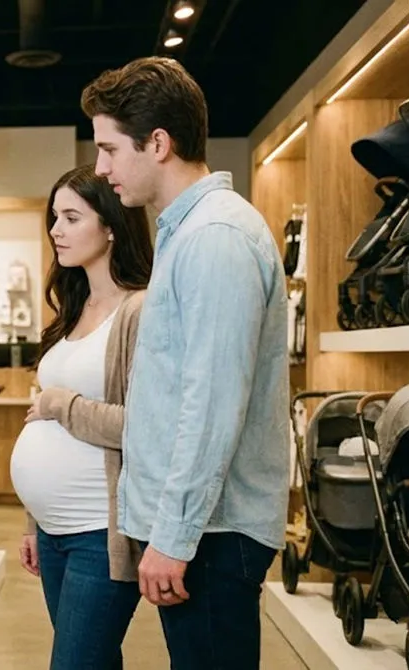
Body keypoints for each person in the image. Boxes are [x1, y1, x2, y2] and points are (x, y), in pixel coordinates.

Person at [80, 57, 291, 668]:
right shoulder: (189, 232)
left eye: (110, 149)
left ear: (159, 143)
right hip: (201, 532)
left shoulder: (214, 238)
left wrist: (172, 539)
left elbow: (211, 405)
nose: (101, 167)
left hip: (211, 536)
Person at [12, 164, 153, 669]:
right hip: (53, 532)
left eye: (72, 217)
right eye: (55, 217)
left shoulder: (139, 310)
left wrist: (60, 405)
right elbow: (41, 428)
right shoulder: (74, 308)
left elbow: (146, 425)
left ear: (111, 225)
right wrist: (33, 521)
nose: (56, 230)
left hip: (101, 531)